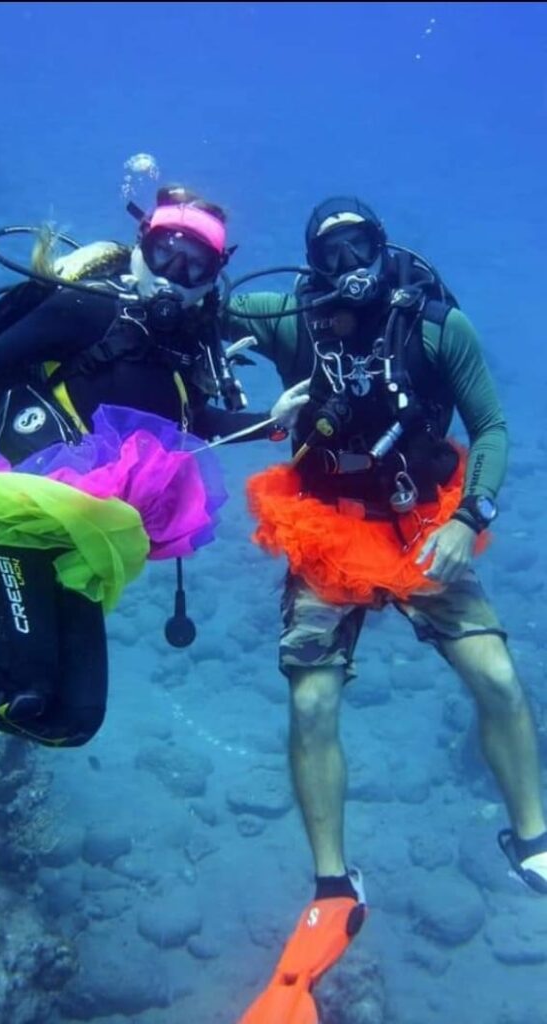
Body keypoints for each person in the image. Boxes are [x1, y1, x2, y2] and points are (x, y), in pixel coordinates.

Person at [227, 197, 547, 1020]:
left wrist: (470, 516)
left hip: (422, 524)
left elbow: (493, 426)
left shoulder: (436, 328)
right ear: (309, 264)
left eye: (358, 246)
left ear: (384, 247)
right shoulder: (293, 317)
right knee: (310, 704)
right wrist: (146, 264)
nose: (345, 267)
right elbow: (198, 299)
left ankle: (532, 837)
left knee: (498, 679)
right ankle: (333, 883)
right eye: (327, 254)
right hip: (325, 526)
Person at [0, 185, 273, 748]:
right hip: (6, 519)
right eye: (165, 251)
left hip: (76, 546)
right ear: (139, 246)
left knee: (71, 720)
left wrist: (276, 419)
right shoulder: (88, 307)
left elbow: (192, 424)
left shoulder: (185, 352)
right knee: (23, 687)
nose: (174, 272)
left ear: (212, 281)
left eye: (195, 266)